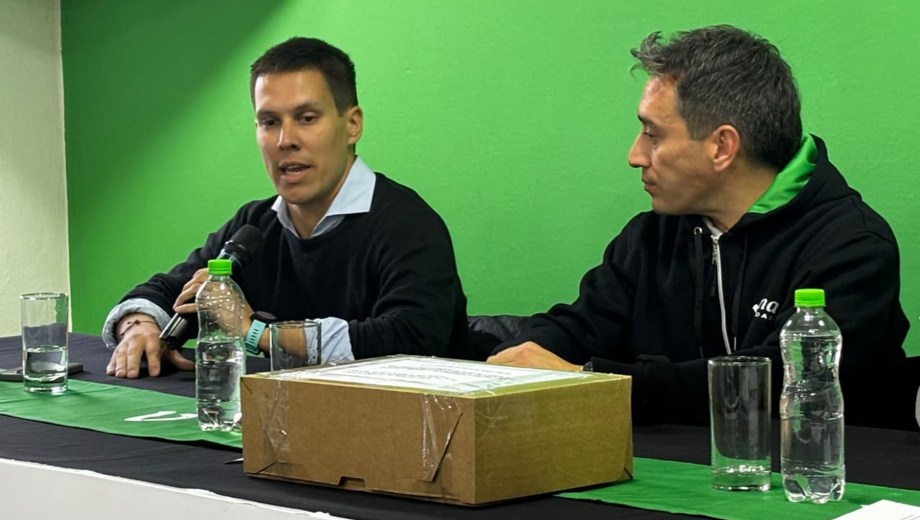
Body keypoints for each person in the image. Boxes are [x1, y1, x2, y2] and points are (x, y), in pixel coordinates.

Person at [488, 25, 911, 428]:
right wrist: (522, 356)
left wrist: (594, 380)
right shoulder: (651, 236)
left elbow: (781, 382)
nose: (635, 155)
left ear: (722, 147)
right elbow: (582, 325)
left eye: (652, 135)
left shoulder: (853, 246)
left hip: (819, 482)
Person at [103, 37, 472, 378]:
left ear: (353, 125)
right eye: (269, 122)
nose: (285, 140)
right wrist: (140, 327)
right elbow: (169, 289)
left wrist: (254, 332)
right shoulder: (254, 227)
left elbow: (411, 341)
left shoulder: (407, 224)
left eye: (307, 118)